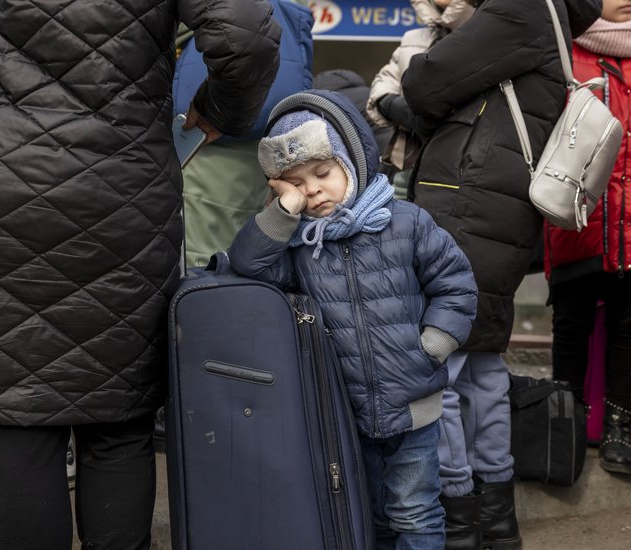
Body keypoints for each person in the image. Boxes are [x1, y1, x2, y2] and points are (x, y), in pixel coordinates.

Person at [0, 1, 280, 549]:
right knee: (118, 418)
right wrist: (221, 111)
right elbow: (247, 35)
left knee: (15, 408)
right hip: (124, 186)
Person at [228, 89, 478, 550]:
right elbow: (247, 267)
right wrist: (282, 212)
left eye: (322, 173)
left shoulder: (404, 221)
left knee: (415, 510)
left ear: (353, 161)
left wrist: (432, 345)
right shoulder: (296, 243)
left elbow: (455, 283)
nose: (313, 189)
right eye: (295, 182)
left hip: (412, 401)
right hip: (343, 408)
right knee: (368, 514)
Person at [401, 0, 602, 546]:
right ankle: (496, 518)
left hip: (468, 212)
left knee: (434, 370)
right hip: (500, 217)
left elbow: (425, 84)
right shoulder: (552, 14)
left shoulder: (520, 8)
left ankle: (456, 516)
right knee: (483, 368)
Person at [545, 0, 631, 476]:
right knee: (572, 320)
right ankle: (565, 424)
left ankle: (620, 427)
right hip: (577, 208)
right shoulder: (566, 47)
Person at [173, 0, 314, 267]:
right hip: (263, 140)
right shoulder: (289, 15)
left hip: (208, 137)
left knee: (202, 259)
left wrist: (218, 110)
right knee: (242, 253)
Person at [366, 0, 473, 198]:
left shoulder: (485, 34)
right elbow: (384, 80)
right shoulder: (413, 37)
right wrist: (394, 106)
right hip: (407, 164)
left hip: (462, 168)